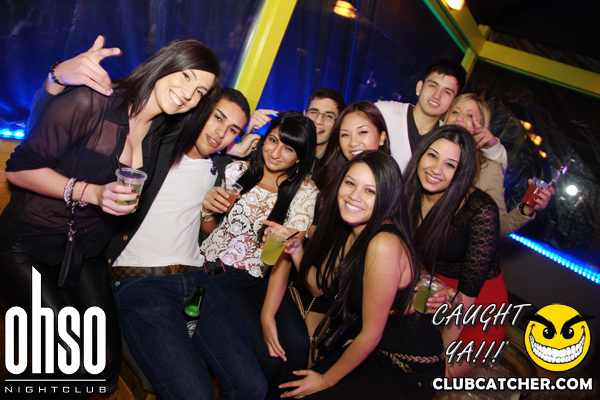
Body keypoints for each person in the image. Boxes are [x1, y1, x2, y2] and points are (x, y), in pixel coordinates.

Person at [0, 38, 220, 396]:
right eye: (185, 76)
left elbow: (209, 149)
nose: (187, 94)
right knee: (67, 359)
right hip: (26, 245)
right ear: (165, 64)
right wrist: (56, 77)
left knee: (102, 367)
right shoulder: (94, 101)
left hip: (83, 252)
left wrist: (249, 152)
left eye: (199, 92)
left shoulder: (162, 134)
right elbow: (18, 169)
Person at [270, 151, 444, 399]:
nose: (354, 196)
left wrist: (326, 380)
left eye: (370, 191)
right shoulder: (350, 230)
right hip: (374, 349)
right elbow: (319, 286)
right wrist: (297, 250)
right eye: (350, 183)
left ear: (387, 197)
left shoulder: (383, 244)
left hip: (408, 367)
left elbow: (372, 334)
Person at [199, 111, 318, 398]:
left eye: (288, 148)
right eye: (273, 140)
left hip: (263, 276)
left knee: (298, 344)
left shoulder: (304, 193)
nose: (275, 153)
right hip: (218, 268)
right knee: (267, 359)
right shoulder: (237, 171)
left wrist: (267, 316)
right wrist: (206, 211)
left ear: (299, 157)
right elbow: (211, 230)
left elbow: (285, 260)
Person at [403, 124, 507, 378]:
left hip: (475, 308)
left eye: (450, 165)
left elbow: (469, 295)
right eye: (432, 155)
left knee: (440, 373)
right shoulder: (407, 193)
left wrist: (442, 351)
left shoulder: (480, 209)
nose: (436, 169)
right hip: (430, 292)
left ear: (462, 172)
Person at [444, 93, 554, 236]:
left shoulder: (488, 168)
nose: (460, 118)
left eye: (470, 115)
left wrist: (527, 208)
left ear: (481, 126)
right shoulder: (427, 148)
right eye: (455, 112)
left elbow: (498, 226)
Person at [376, 58, 507, 173]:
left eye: (447, 92)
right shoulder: (386, 112)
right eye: (433, 85)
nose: (437, 96)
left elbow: (496, 169)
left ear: (452, 101)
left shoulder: (447, 138)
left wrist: (493, 145)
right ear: (419, 87)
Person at [245, 87, 346, 179]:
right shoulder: (276, 146)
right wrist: (246, 130)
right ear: (304, 114)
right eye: (313, 112)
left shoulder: (341, 168)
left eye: (329, 116)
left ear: (338, 122)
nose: (318, 121)